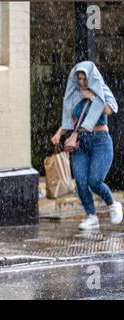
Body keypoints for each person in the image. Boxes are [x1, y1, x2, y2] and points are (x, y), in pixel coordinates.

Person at [51, 61, 123, 230]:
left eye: (85, 78)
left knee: (95, 181)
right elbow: (71, 120)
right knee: (82, 182)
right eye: (79, 78)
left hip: (100, 141)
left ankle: (113, 204)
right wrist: (59, 133)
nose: (82, 82)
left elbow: (109, 110)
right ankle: (91, 216)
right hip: (81, 143)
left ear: (91, 77)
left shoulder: (101, 89)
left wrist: (92, 96)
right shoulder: (75, 93)